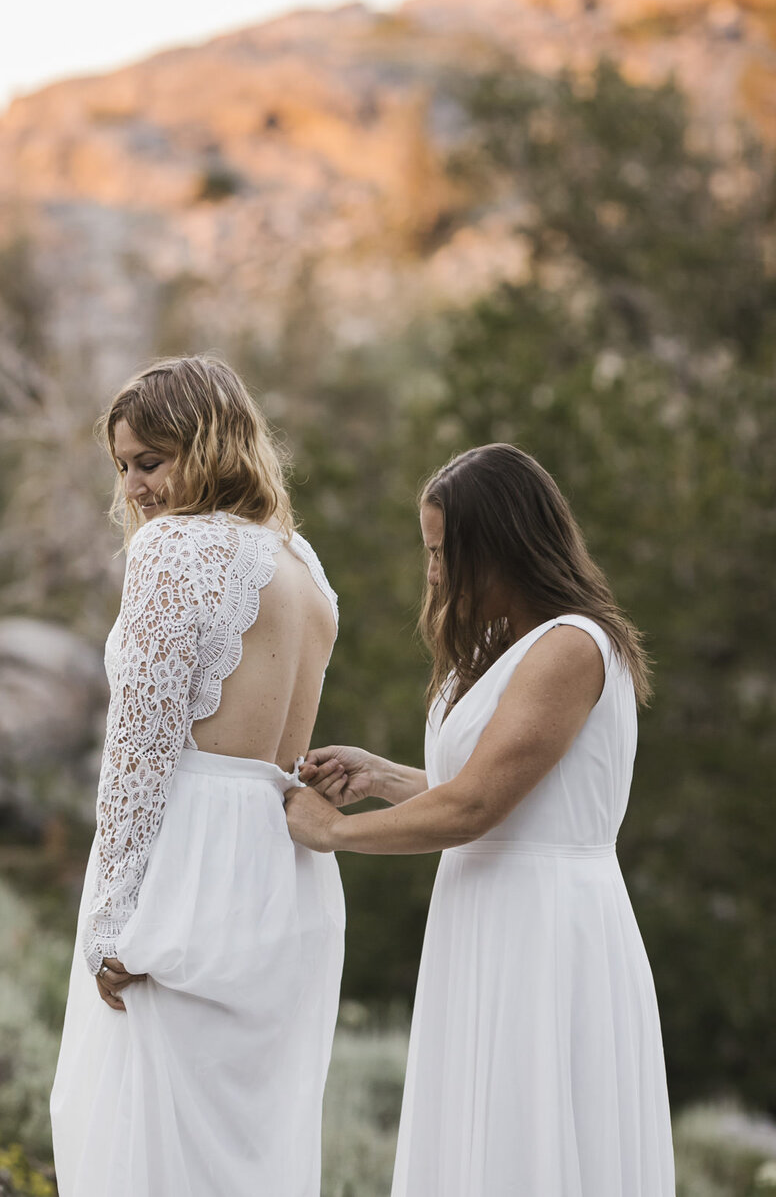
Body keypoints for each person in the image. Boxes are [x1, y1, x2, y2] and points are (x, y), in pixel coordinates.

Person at [286, 443, 675, 1197]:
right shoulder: (508, 647)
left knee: (529, 1137)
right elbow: (496, 795)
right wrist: (383, 777)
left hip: (545, 929)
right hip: (489, 913)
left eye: (443, 553)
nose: (433, 574)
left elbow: (476, 806)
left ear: (501, 546)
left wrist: (332, 831)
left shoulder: (569, 647)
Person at [50, 355, 344, 1197]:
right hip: (284, 873)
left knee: (144, 1139)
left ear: (211, 443)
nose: (136, 487)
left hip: (192, 860)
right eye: (123, 466)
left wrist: (110, 921)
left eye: (152, 459)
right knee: (248, 1151)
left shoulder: (175, 549)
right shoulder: (303, 564)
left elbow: (139, 755)